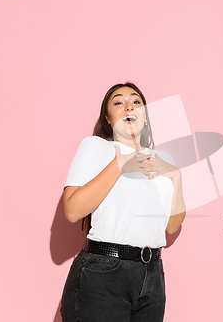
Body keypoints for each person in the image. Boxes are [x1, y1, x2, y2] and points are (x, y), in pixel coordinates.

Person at [60, 82, 186, 322]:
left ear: (146, 117)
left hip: (152, 274)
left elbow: (171, 227)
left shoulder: (162, 159)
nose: (129, 106)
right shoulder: (96, 147)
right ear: (108, 119)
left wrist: (176, 176)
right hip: (103, 272)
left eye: (136, 102)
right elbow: (73, 210)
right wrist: (119, 165)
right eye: (118, 102)